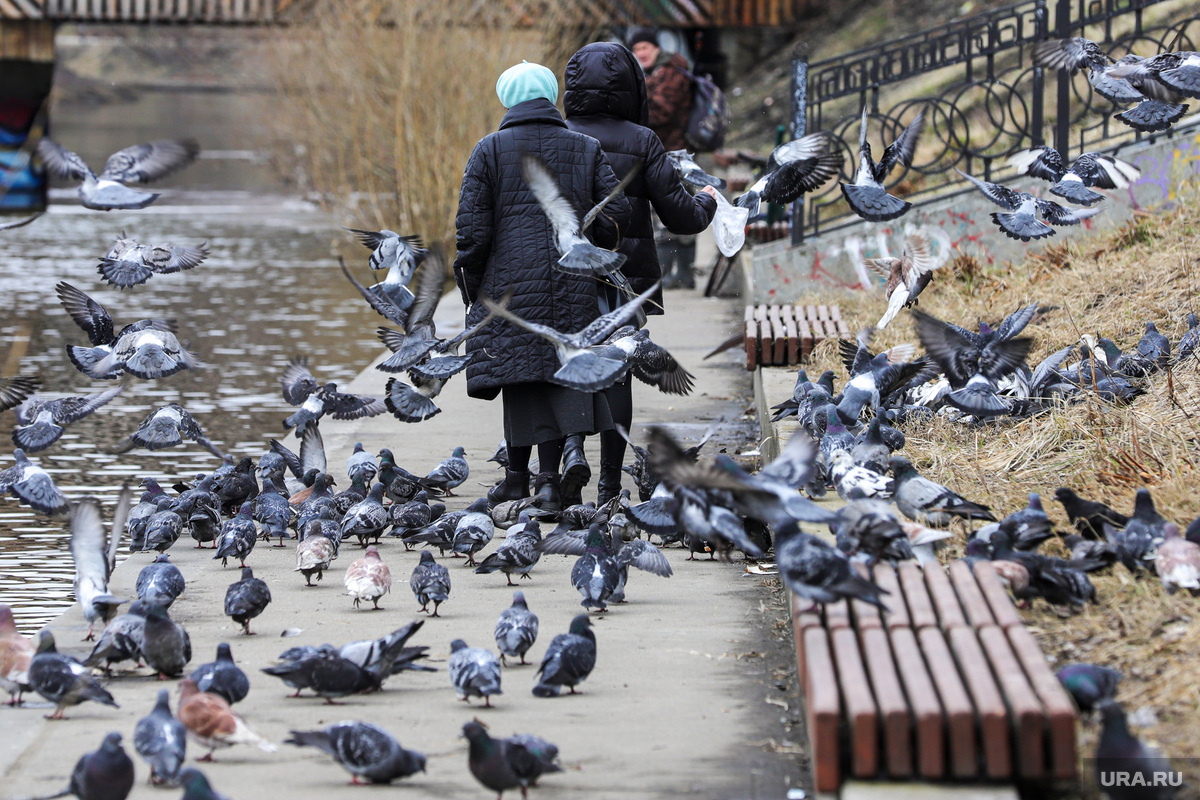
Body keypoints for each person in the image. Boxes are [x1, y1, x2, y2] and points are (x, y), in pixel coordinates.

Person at [453, 61, 632, 515]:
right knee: (558, 376)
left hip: (508, 287)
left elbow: (472, 233)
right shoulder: (585, 147)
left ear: (506, 98)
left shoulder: (489, 150)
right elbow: (617, 215)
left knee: (519, 378)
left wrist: (473, 289)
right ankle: (548, 485)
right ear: (551, 96)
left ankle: (517, 479)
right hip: (572, 285)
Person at [563, 41, 718, 505]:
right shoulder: (642, 140)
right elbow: (683, 219)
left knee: (568, 364)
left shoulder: (559, 133)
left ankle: (570, 456)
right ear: (633, 84)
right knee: (618, 372)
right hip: (623, 280)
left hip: (565, 274)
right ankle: (612, 482)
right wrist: (709, 200)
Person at [628, 27, 704, 290]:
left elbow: (661, 111)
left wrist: (632, 106)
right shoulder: (654, 73)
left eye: (645, 48)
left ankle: (683, 273)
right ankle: (668, 274)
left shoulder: (672, 71)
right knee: (660, 214)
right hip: (660, 153)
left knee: (678, 210)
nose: (641, 53)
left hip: (676, 154)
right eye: (636, 50)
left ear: (656, 48)